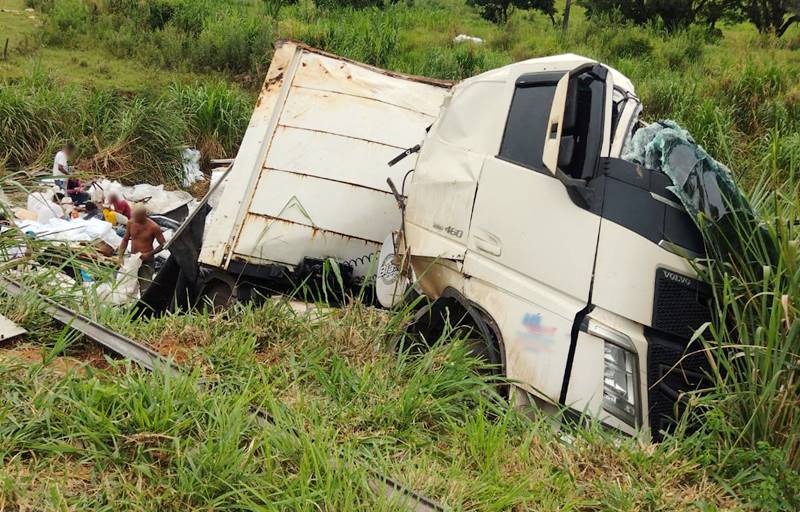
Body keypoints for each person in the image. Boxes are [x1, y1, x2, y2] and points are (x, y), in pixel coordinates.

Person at [119, 204, 165, 292]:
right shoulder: (130, 223)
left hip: (147, 261)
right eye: (134, 217)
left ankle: (145, 305)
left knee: (145, 287)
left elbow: (163, 245)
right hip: (134, 260)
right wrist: (120, 256)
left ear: (144, 215)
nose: (135, 220)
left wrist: (148, 254)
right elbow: (125, 240)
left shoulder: (153, 227)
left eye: (138, 218)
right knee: (129, 286)